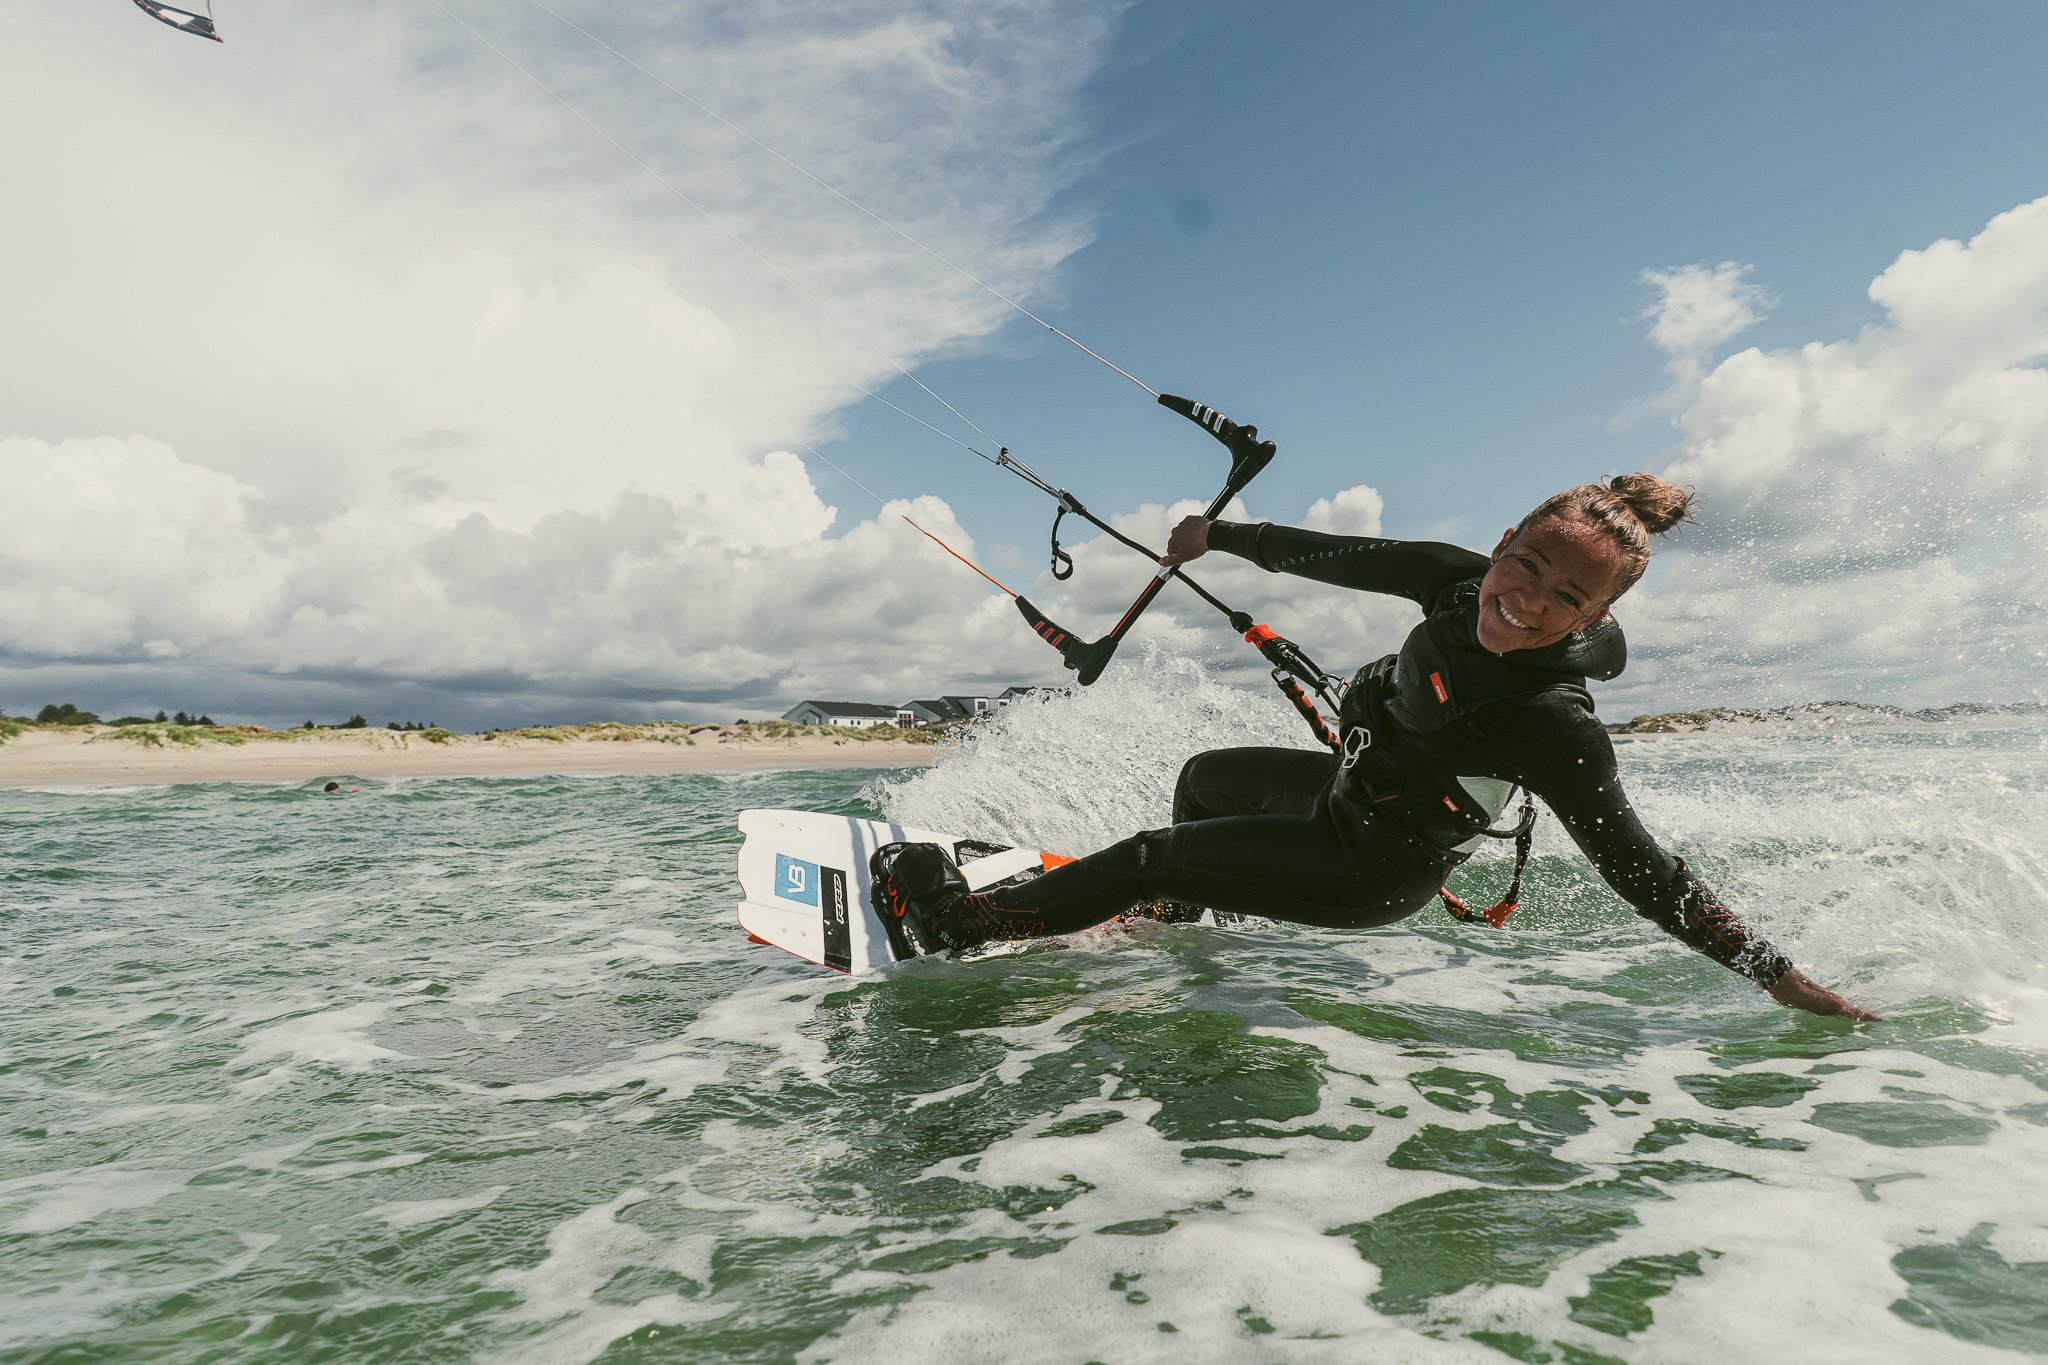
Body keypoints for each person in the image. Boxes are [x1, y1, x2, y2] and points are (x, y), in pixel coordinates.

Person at [874, 474, 1879, 1020]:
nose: (1522, 603)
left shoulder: (1553, 725)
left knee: (1154, 844)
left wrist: (1774, 973)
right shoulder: (1450, 582)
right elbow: (1326, 556)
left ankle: (973, 925)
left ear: (1596, 611)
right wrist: (1212, 539)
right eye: (1521, 566)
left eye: (1563, 597)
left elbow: (1641, 868)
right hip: (1340, 797)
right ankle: (1168, 921)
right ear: (1501, 544)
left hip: (1374, 864)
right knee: (1203, 780)